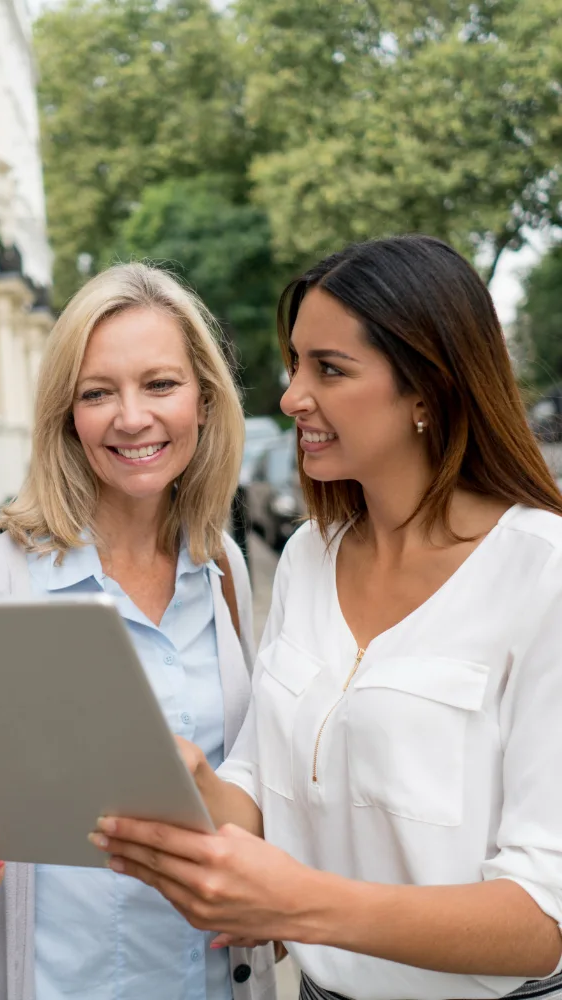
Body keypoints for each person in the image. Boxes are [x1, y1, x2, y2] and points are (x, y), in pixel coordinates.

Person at [91, 235, 562, 999]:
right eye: (295, 363)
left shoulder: (543, 574)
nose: (290, 397)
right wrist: (193, 784)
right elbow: (263, 783)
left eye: (329, 369)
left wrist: (297, 906)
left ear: (426, 391)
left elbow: (543, 919)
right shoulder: (313, 555)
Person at [0, 262, 277, 1000]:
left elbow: (250, 776)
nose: (130, 417)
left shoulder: (223, 566)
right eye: (98, 392)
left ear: (204, 399)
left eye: (160, 385)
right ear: (66, 415)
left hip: (213, 981)